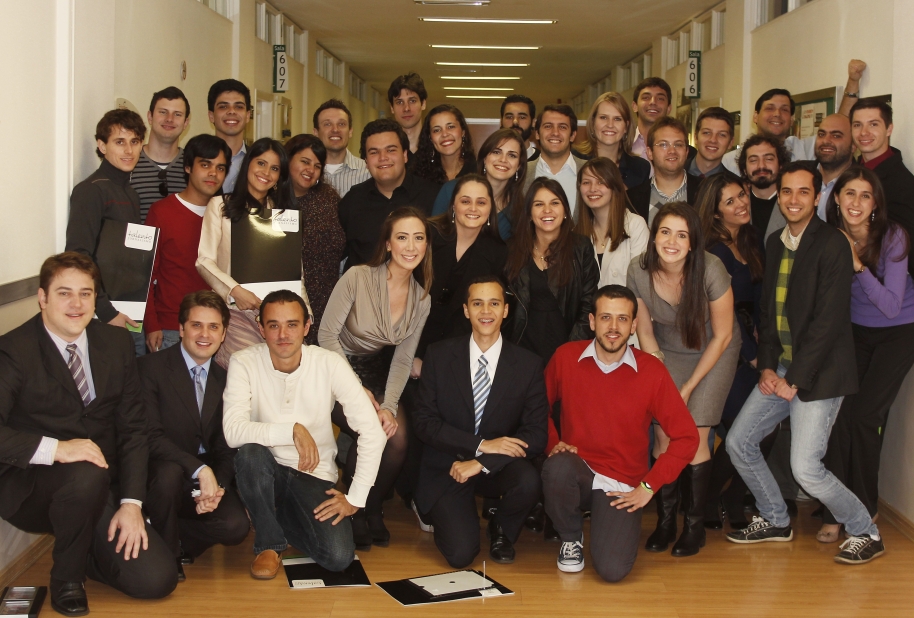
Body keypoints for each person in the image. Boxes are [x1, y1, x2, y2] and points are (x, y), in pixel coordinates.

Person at [0, 253, 177, 616]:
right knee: (85, 473)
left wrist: (131, 503)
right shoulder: (13, 350)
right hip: (32, 485)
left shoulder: (115, 343)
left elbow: (133, 429)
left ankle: (87, 551)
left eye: (86, 293)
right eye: (64, 293)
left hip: (101, 484)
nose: (76, 304)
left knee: (157, 580)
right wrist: (56, 448)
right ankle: (67, 578)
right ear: (42, 297)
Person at [726, 162, 884, 566]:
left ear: (817, 198)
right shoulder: (776, 241)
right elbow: (767, 312)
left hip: (821, 375)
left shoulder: (832, 244)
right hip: (780, 369)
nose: (793, 200)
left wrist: (793, 380)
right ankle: (776, 519)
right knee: (738, 443)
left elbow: (828, 323)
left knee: (806, 469)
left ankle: (866, 531)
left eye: (802, 192)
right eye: (786, 192)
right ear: (779, 197)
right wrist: (766, 367)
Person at [223, 290, 386, 578]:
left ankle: (269, 517)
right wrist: (292, 431)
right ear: (261, 329)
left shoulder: (329, 363)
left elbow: (373, 431)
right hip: (266, 469)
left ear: (307, 326)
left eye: (292, 324)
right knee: (250, 453)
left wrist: (355, 498)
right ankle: (269, 544)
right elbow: (233, 432)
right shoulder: (243, 361)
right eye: (273, 325)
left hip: (313, 473)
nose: (283, 334)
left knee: (339, 557)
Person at [541, 285, 698, 581]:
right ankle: (570, 537)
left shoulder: (651, 371)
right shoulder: (565, 357)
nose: (613, 328)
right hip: (578, 471)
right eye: (606, 318)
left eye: (623, 319)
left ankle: (606, 528)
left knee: (613, 571)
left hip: (622, 483)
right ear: (592, 321)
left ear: (634, 325)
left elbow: (688, 438)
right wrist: (553, 444)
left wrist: (648, 487)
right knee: (558, 466)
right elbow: (536, 409)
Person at [626, 201, 739, 557]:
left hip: (714, 350)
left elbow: (722, 335)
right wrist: (659, 376)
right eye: (664, 232)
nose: (671, 241)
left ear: (692, 242)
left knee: (693, 432)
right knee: (662, 431)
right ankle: (665, 522)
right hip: (668, 351)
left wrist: (687, 388)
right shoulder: (638, 269)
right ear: (654, 237)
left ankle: (694, 526)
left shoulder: (711, 269)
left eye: (681, 234)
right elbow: (644, 331)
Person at [413, 275, 548, 567]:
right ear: (465, 310)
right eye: (477, 304)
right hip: (448, 466)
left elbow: (536, 434)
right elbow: (424, 422)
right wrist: (481, 444)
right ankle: (441, 512)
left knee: (528, 480)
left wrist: (483, 460)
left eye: (494, 303)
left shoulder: (528, 364)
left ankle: (502, 529)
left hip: (495, 469)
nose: (486, 312)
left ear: (506, 310)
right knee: (461, 555)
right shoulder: (438, 355)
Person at [319, 207, 432, 549]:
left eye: (418, 238)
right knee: (370, 429)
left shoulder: (421, 298)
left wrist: (388, 404)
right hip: (333, 369)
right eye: (402, 237)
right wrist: (358, 391)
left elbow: (400, 360)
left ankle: (370, 506)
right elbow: (325, 337)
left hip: (376, 372)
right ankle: (353, 508)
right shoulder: (357, 276)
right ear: (387, 243)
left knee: (396, 436)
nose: (410, 246)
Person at [818, 168, 914, 543]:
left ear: (875, 204)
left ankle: (866, 506)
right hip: (855, 333)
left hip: (898, 332)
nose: (855, 203)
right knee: (838, 416)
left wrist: (857, 265)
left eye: (865, 196)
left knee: (863, 416)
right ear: (836, 199)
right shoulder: (828, 237)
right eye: (849, 194)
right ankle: (835, 511)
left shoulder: (893, 237)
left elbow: (891, 305)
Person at [141, 291, 250, 581]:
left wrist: (218, 489)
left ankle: (167, 532)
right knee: (168, 476)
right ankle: (168, 554)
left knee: (236, 527)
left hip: (205, 477)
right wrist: (200, 470)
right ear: (180, 328)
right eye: (196, 325)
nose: (205, 334)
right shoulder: (149, 369)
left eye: (214, 327)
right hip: (162, 470)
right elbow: (150, 436)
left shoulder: (225, 379)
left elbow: (226, 447)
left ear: (224, 333)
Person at [695, 173, 769, 530]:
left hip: (751, 348)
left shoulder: (750, 239)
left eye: (742, 195)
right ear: (714, 213)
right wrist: (754, 353)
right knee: (749, 428)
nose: (741, 203)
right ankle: (713, 498)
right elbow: (720, 315)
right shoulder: (714, 252)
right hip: (726, 353)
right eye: (730, 201)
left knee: (762, 429)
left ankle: (726, 496)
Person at [196, 137, 308, 368]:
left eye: (275, 168)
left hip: (278, 317)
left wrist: (304, 314)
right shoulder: (220, 206)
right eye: (261, 163)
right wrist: (235, 291)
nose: (266, 172)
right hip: (236, 312)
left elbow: (295, 272)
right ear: (248, 165)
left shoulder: (282, 215)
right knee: (248, 377)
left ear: (280, 177)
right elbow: (204, 261)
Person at [145, 134, 231, 353]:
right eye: (205, 165)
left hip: (219, 330)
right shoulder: (161, 212)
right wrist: (152, 325)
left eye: (221, 168)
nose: (213, 173)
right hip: (171, 329)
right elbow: (146, 275)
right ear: (188, 167)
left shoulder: (230, 215)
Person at [416, 175, 508, 373]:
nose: (473, 208)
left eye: (481, 202)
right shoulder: (427, 235)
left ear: (490, 208)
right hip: (408, 343)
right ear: (453, 206)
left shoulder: (498, 252)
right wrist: (410, 356)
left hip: (458, 354)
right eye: (465, 201)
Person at [66, 108, 146, 335]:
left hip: (128, 309)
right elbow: (78, 256)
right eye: (120, 142)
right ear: (102, 146)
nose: (129, 150)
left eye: (135, 141)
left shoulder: (131, 193)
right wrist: (107, 312)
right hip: (102, 314)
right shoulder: (90, 191)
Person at [505, 178, 600, 363]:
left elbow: (589, 302)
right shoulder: (511, 250)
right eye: (539, 204)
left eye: (555, 203)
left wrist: (572, 350)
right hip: (521, 350)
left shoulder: (581, 248)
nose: (547, 210)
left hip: (569, 348)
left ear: (565, 210)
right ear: (529, 214)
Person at [722, 60, 868, 174]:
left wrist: (853, 82)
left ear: (792, 120)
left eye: (784, 110)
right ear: (755, 116)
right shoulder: (731, 161)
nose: (777, 114)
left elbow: (839, 123)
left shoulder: (804, 149)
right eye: (770, 108)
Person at [337, 119, 440, 267]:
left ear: (405, 155)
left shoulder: (433, 197)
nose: (383, 157)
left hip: (418, 288)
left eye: (391, 150)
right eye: (374, 152)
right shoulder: (352, 201)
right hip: (363, 289)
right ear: (366, 161)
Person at [285, 133, 345, 345]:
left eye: (317, 165)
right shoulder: (270, 200)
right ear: (288, 159)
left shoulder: (328, 197)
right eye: (304, 161)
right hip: (286, 302)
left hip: (326, 299)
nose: (310, 170)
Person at [850, 98, 914, 276]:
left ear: (889, 129)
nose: (864, 132)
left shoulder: (902, 185)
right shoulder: (853, 172)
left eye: (873, 124)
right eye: (857, 125)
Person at [431, 128, 529, 240]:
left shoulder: (520, 210)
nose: (503, 160)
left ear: (519, 166)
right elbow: (432, 238)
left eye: (512, 155)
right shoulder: (451, 190)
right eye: (496, 152)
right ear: (485, 158)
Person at [574, 157, 649, 287]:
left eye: (601, 182)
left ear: (615, 186)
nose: (593, 189)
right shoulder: (576, 233)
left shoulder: (635, 226)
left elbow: (641, 286)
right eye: (586, 182)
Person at [628, 117, 703, 226]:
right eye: (663, 144)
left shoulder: (705, 191)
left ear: (686, 151)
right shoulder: (631, 200)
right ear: (649, 153)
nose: (672, 151)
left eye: (678, 144)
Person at [130, 87, 190, 221]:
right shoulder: (128, 162)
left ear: (186, 123)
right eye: (163, 112)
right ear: (150, 117)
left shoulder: (194, 166)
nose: (169, 119)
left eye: (177, 114)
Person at [523, 105, 587, 219]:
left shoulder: (590, 171)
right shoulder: (521, 172)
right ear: (537, 133)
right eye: (548, 126)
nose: (555, 133)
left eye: (562, 127)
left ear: (572, 135)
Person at [578, 92, 651, 189]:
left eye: (617, 119)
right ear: (593, 123)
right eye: (603, 117)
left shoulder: (640, 168)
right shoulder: (575, 161)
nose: (610, 125)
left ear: (626, 126)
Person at [312, 99, 370, 198]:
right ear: (316, 132)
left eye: (341, 124)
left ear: (350, 131)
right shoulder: (306, 173)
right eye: (327, 124)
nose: (335, 129)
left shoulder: (368, 172)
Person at [737, 134, 790, 238]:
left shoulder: (793, 203)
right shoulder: (736, 204)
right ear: (744, 169)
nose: (761, 166)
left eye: (769, 159)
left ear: (780, 165)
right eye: (753, 160)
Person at [413, 104, 477, 185]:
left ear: (463, 132)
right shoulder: (419, 177)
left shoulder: (478, 172)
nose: (444, 134)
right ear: (430, 138)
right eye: (436, 130)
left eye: (450, 127)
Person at [208, 79, 251, 193]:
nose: (232, 111)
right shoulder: (197, 160)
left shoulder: (257, 161)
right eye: (223, 106)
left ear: (248, 115)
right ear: (211, 116)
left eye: (239, 107)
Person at [814, 113, 855, 220]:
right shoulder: (800, 174)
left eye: (836, 136)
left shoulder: (863, 184)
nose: (826, 140)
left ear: (853, 146)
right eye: (821, 134)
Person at [630, 77, 673, 161]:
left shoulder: (681, 153)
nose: (653, 102)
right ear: (635, 106)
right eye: (646, 97)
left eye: (660, 98)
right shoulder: (621, 147)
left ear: (669, 108)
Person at [688, 107, 734, 179]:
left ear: (731, 142)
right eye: (707, 133)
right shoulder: (672, 173)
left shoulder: (735, 186)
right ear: (696, 137)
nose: (713, 140)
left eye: (722, 135)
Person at [388, 72, 427, 155]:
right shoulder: (386, 151)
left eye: (412, 101)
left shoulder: (437, 147)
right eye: (399, 102)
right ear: (392, 108)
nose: (406, 108)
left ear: (423, 104)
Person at [500, 94, 539, 161]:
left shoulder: (543, 163)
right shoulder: (490, 161)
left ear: (533, 122)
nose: (515, 122)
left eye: (522, 117)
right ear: (501, 121)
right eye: (509, 117)